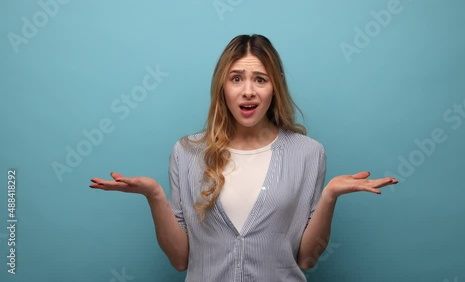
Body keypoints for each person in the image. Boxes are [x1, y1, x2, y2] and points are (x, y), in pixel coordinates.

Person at [89, 34, 398, 282]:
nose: (248, 91)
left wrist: (330, 195)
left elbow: (306, 259)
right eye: (236, 78)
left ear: (274, 88)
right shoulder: (186, 153)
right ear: (222, 87)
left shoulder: (308, 153)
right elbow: (180, 259)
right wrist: (154, 195)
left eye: (260, 80)